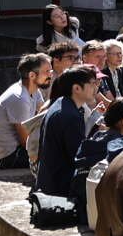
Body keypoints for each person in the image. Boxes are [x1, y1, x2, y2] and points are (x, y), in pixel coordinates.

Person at [35, 66, 101, 198]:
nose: (96, 88)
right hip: (61, 188)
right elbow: (78, 156)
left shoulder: (62, 104)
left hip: (50, 181)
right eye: (92, 84)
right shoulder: (69, 115)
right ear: (76, 88)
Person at [0, 52, 51, 170]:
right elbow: (25, 142)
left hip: (20, 150)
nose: (51, 75)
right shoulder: (19, 99)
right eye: (46, 72)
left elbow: (44, 114)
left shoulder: (33, 90)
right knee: (59, 155)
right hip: (12, 157)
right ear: (32, 75)